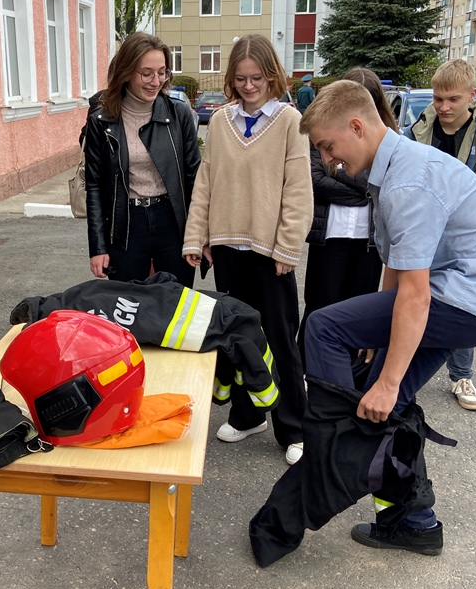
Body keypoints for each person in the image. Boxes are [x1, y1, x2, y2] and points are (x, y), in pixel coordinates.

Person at [297, 79, 476, 555]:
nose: (329, 160)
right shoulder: (398, 166)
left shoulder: (407, 182)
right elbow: (397, 266)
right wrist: (377, 337)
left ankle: (336, 451)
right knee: (387, 405)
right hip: (468, 298)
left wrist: (387, 379)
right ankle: (416, 524)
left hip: (465, 299)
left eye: (328, 146)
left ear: (357, 126)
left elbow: (414, 297)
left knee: (324, 327)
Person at [182, 34, 313, 466]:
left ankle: (293, 427)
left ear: (272, 75)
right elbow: (206, 182)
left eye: (257, 78)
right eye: (240, 79)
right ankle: (247, 413)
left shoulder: (292, 122)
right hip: (227, 250)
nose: (249, 86)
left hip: (269, 252)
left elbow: (298, 192)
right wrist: (196, 237)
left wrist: (287, 248)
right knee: (238, 339)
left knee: (280, 338)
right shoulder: (219, 122)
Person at [402, 59, 476, 412]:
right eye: (437, 99)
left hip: (466, 236)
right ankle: (404, 372)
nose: (444, 108)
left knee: (461, 301)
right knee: (414, 300)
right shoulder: (419, 129)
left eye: (452, 99)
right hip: (424, 228)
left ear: (472, 96)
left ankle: (461, 375)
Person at [83, 32, 200, 288]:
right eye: (146, 73)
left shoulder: (178, 114)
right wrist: (98, 246)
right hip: (126, 224)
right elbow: (94, 186)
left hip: (172, 221)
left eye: (162, 72)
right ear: (126, 71)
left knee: (175, 303)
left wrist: (198, 236)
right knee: (128, 305)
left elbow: (195, 178)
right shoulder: (101, 121)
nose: (155, 81)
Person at [297, 67, 389, 373]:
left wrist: (341, 176)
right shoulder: (324, 133)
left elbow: (380, 185)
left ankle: (349, 371)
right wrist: (361, 187)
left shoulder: (391, 141)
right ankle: (309, 369)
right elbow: (315, 180)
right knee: (320, 302)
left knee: (359, 306)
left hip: (369, 240)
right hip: (331, 234)